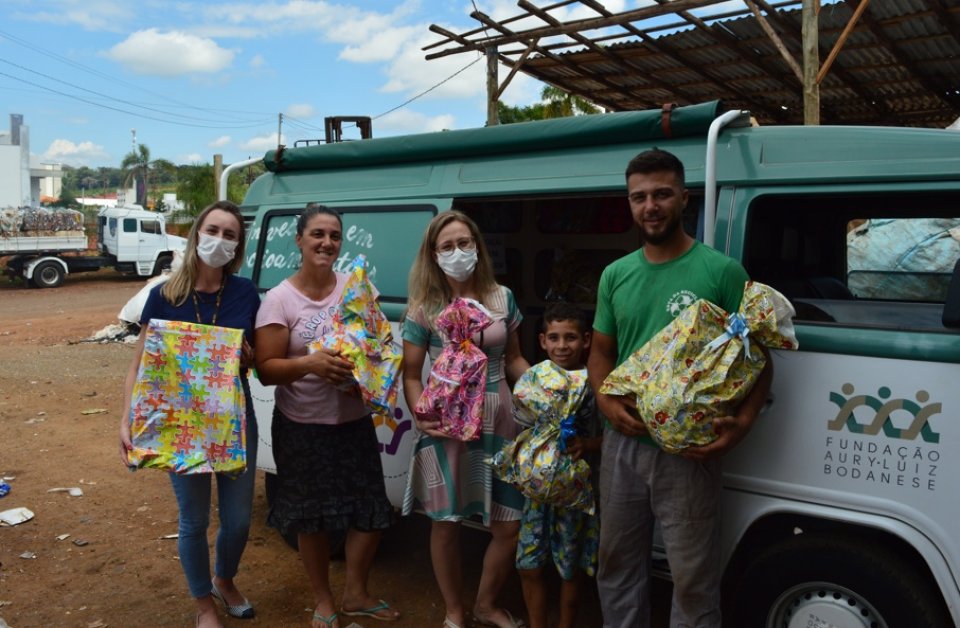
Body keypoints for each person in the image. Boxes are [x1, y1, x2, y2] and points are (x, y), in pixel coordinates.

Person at [587, 149, 773, 627]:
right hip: (623, 442)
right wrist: (606, 402)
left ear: (684, 198)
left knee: (693, 576)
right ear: (630, 203)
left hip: (690, 453)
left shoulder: (722, 272)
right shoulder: (616, 275)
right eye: (639, 197)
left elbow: (760, 359)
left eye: (662, 194)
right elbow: (601, 352)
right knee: (616, 565)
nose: (650, 206)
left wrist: (742, 424)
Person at [254, 203, 399, 628]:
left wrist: (367, 372)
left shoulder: (356, 287)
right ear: (299, 239)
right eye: (317, 234)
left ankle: (356, 593)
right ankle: (323, 601)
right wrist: (310, 364)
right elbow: (266, 370)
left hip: (353, 421)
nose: (326, 242)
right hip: (302, 427)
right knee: (311, 519)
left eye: (334, 235)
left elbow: (378, 341)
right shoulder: (279, 300)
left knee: (370, 511)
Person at [118, 200, 261, 628]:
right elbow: (140, 366)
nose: (219, 240)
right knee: (194, 519)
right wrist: (126, 419)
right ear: (197, 232)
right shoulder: (164, 295)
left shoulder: (245, 293)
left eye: (229, 235)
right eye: (212, 230)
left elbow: (254, 358)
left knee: (238, 519)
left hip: (233, 417)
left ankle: (224, 579)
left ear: (238, 246)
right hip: (178, 421)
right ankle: (203, 604)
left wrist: (248, 356)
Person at [401, 211, 530, 628]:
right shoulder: (424, 307)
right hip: (447, 426)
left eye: (464, 243)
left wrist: (548, 390)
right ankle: (455, 611)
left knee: (509, 525)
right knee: (446, 524)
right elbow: (410, 374)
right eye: (447, 246)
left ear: (477, 246)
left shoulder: (502, 298)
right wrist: (421, 416)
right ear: (433, 254)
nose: (457, 253)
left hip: (500, 420)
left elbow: (514, 359)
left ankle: (485, 605)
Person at [515, 302, 602, 628]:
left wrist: (587, 445)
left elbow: (612, 437)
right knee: (530, 565)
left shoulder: (594, 383)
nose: (562, 345)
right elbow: (523, 425)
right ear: (542, 341)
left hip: (576, 494)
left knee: (570, 567)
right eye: (554, 338)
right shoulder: (534, 380)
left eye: (571, 337)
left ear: (586, 340)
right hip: (537, 493)